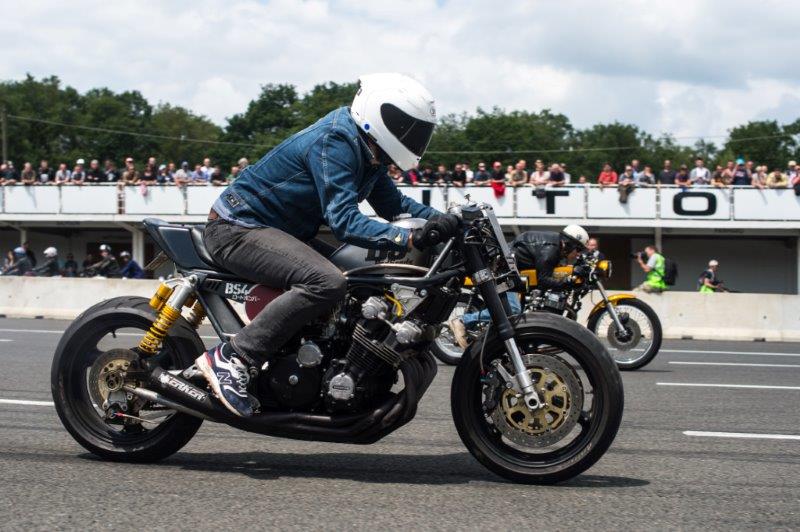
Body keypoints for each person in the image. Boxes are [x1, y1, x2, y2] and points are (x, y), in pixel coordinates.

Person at [197, 73, 453, 418]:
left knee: (358, 279)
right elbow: (344, 221)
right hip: (237, 227)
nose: (413, 136)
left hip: (279, 231)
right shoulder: (337, 140)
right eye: (406, 125)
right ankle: (233, 358)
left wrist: (447, 221)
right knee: (326, 281)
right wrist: (407, 237)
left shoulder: (369, 151)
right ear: (381, 114)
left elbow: (396, 207)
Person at [448, 225, 590, 349]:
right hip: (500, 269)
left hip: (511, 272)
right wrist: (568, 282)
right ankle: (464, 321)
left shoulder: (555, 246)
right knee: (514, 310)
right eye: (578, 249)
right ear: (569, 244)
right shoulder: (550, 250)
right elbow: (544, 280)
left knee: (518, 313)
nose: (578, 254)